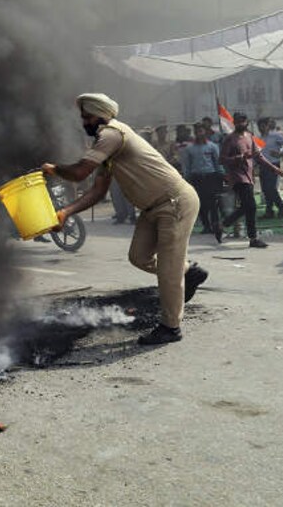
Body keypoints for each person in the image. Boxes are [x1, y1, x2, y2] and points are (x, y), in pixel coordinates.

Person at [41, 93, 207, 346]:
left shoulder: (112, 134)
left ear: (101, 115)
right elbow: (97, 191)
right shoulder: (107, 146)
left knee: (167, 270)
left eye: (87, 117)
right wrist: (66, 213)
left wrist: (54, 169)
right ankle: (189, 272)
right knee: (138, 257)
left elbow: (78, 172)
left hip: (174, 202)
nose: (84, 122)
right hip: (152, 208)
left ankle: (170, 328)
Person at [220, 113, 283, 249]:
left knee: (248, 207)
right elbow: (222, 159)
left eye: (242, 121)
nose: (240, 124)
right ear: (234, 123)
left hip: (249, 176)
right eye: (237, 122)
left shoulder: (249, 137)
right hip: (237, 177)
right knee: (251, 206)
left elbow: (258, 156)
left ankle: (223, 225)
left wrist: (274, 168)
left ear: (247, 122)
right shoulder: (230, 139)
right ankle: (253, 238)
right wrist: (240, 157)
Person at [180, 123, 224, 242]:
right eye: (197, 131)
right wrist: (186, 178)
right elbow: (187, 165)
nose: (199, 134)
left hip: (210, 176)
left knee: (213, 203)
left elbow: (218, 162)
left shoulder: (212, 146)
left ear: (205, 132)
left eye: (201, 131)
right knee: (200, 203)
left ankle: (215, 225)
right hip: (197, 177)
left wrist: (221, 175)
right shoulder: (190, 148)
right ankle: (206, 226)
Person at [255, 118, 283, 219]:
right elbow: (257, 154)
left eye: (264, 125)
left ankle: (281, 207)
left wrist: (281, 153)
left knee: (271, 188)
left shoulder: (275, 136)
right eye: (259, 126)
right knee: (265, 190)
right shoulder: (258, 139)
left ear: (268, 126)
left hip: (273, 165)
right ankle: (269, 211)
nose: (261, 128)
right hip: (263, 165)